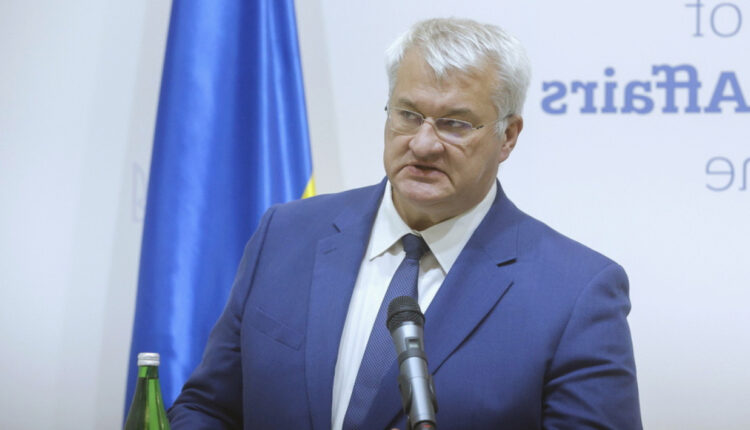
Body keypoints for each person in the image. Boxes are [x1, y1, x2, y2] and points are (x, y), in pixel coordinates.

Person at [168, 17, 642, 429]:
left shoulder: (575, 294)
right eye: (409, 115)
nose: (423, 144)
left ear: (508, 136)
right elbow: (207, 408)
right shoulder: (286, 235)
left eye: (455, 124)